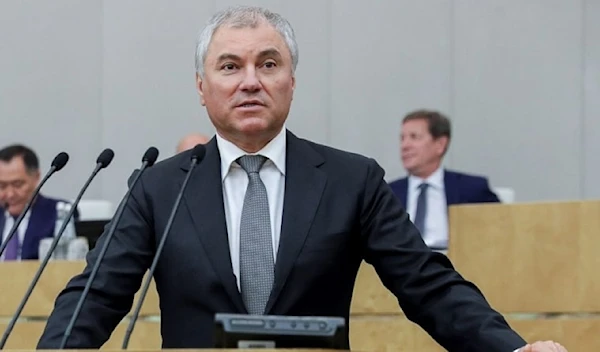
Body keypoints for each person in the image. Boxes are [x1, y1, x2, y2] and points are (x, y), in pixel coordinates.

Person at [36, 6, 566, 352]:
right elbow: (96, 296)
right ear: (202, 87)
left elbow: (427, 284)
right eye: (229, 67)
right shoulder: (159, 188)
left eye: (268, 64)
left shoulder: (349, 179)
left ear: (292, 81)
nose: (250, 82)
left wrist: (510, 348)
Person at [388, 110, 500, 250]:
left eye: (414, 137)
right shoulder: (387, 193)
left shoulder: (472, 188)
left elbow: (502, 230)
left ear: (440, 144)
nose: (405, 146)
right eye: (402, 138)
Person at [0, 144, 77, 261]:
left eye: (18, 184)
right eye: (2, 186)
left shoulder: (59, 213)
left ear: (36, 177)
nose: (10, 194)